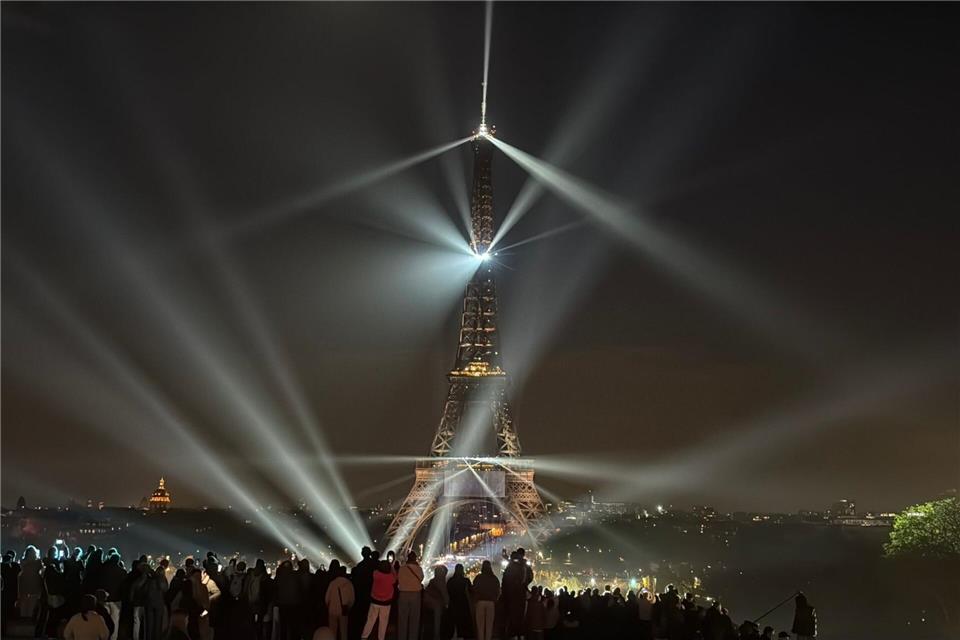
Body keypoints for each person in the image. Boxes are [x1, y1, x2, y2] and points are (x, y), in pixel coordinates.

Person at [360, 559, 396, 640]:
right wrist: (392, 566)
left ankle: (364, 636)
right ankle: (381, 638)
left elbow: (375, 570)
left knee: (370, 620)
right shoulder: (391, 577)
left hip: (375, 601)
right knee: (383, 622)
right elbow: (395, 577)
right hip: (386, 603)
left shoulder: (376, 574)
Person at [396, 552, 424, 640]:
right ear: (415, 558)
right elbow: (421, 578)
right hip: (415, 595)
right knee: (414, 620)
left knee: (402, 620)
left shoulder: (402, 569)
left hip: (403, 595)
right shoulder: (419, 569)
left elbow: (398, 579)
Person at [326, 565, 355, 640]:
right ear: (345, 573)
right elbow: (352, 599)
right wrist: (348, 608)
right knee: (344, 632)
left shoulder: (332, 583)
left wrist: (328, 606)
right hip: (343, 611)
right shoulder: (349, 583)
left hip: (332, 610)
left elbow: (327, 598)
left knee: (332, 631)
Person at [473, 560, 500, 640]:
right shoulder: (494, 578)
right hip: (491, 603)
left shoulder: (478, 578)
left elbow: (474, 589)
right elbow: (497, 591)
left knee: (480, 626)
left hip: (480, 602)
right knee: (489, 626)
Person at [446, 563, 472, 640]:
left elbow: (448, 591)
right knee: (463, 622)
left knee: (453, 622)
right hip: (463, 604)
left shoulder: (450, 581)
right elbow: (470, 591)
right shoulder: (466, 581)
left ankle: (453, 635)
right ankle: (461, 635)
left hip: (453, 604)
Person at [423, 564, 449, 640]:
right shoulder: (440, 580)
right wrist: (447, 603)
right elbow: (444, 593)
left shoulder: (432, 580)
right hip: (436, 604)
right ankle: (436, 636)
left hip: (427, 603)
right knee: (437, 621)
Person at [18, 545, 43, 619]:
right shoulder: (38, 563)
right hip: (34, 585)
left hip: (24, 585)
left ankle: (24, 621)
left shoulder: (23, 562)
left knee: (24, 606)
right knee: (31, 606)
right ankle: (29, 620)